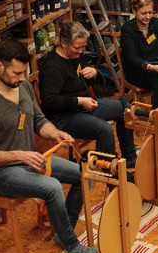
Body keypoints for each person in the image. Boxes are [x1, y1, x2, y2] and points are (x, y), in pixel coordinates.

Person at [0, 39, 98, 253]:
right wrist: (19, 155)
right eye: (17, 73)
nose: (22, 78)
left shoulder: (23, 86)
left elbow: (39, 121)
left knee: (84, 175)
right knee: (52, 187)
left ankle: (63, 231)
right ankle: (72, 245)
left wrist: (56, 133)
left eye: (24, 73)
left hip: (31, 160)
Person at [39, 22, 137, 168]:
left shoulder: (75, 56)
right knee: (104, 130)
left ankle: (129, 158)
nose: (80, 51)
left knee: (125, 109)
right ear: (63, 43)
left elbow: (88, 78)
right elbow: (50, 101)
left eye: (83, 47)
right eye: (77, 48)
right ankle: (107, 172)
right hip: (64, 117)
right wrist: (79, 101)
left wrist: (94, 72)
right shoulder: (52, 67)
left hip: (84, 106)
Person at [120, 0, 158, 118]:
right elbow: (132, 59)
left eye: (150, 12)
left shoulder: (157, 25)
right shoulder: (127, 30)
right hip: (136, 71)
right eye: (143, 13)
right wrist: (152, 67)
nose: (148, 17)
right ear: (134, 11)